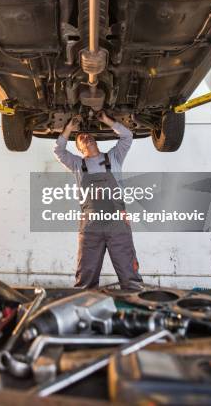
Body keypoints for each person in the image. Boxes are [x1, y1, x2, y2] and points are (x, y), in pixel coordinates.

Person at [54, 111, 143, 290]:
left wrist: (107, 120)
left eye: (88, 135)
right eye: (80, 138)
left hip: (117, 222)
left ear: (95, 140)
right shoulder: (78, 164)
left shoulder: (114, 157)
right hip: (90, 225)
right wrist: (69, 128)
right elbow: (58, 150)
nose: (85, 137)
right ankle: (84, 310)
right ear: (79, 148)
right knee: (85, 277)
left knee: (129, 275)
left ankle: (136, 309)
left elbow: (127, 136)